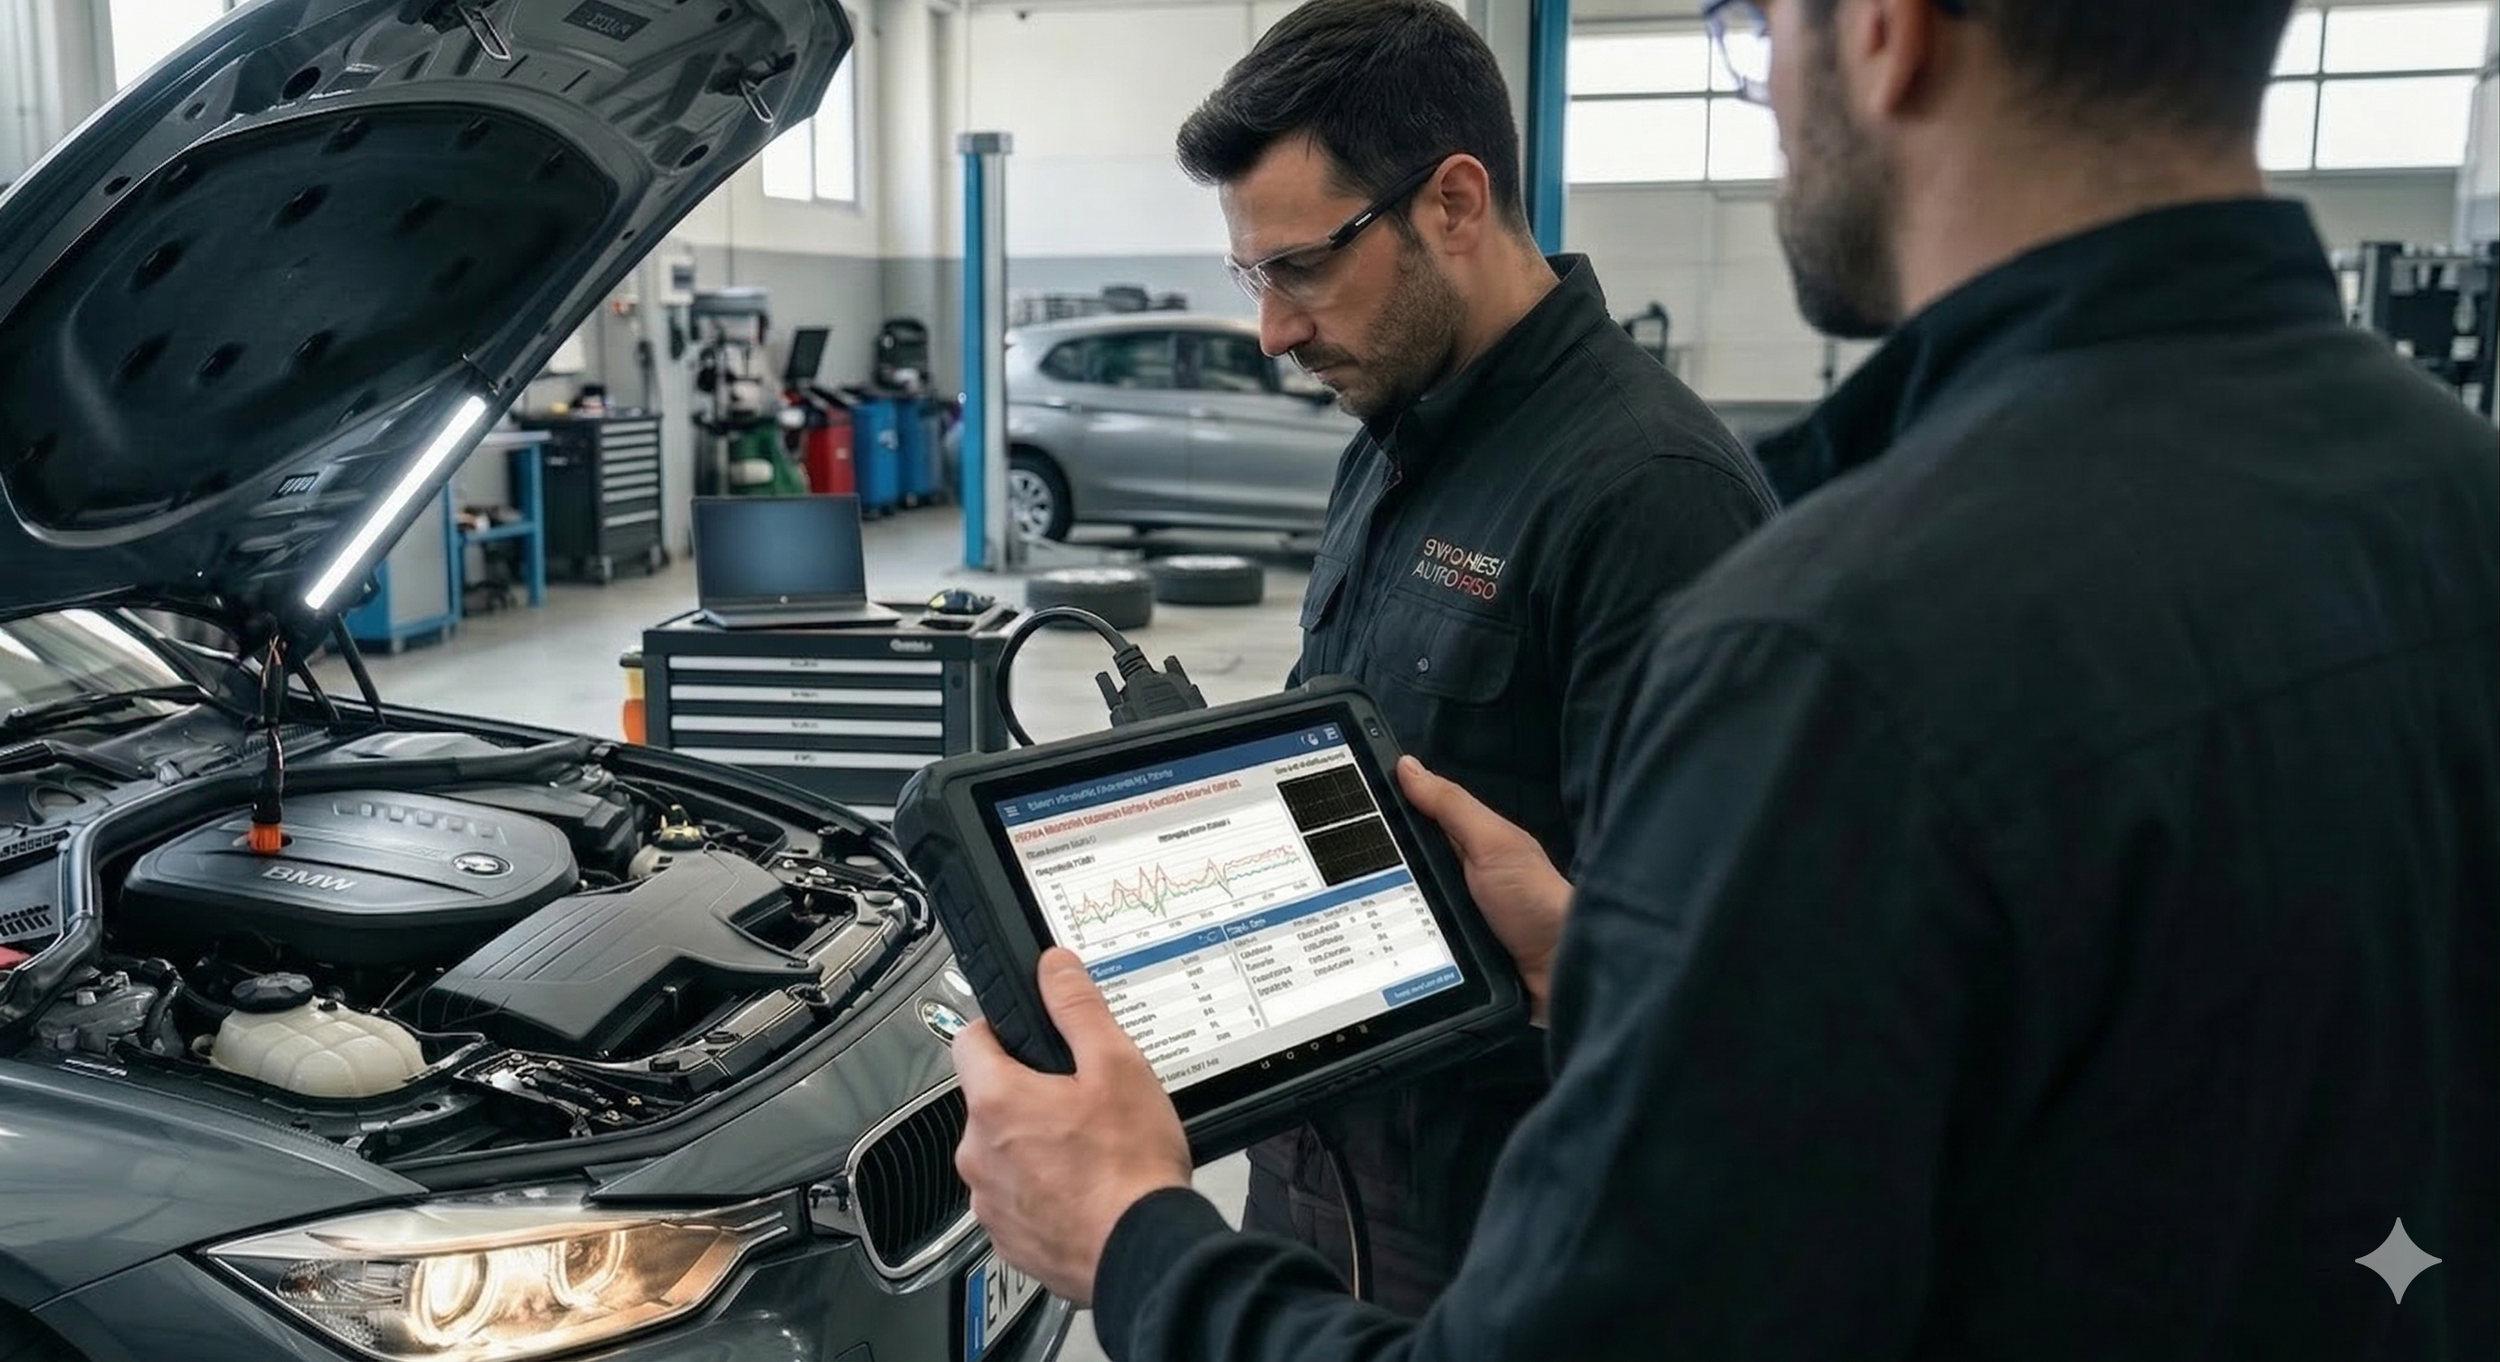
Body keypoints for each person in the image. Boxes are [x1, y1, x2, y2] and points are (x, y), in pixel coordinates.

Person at [953, 0, 2500, 1355]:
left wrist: (1131, 1237)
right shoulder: (2458, 505)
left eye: (1755, 28)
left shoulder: (1836, 643)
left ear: (1886, 29)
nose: (1764, 91)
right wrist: (1605, 958)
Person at [1165, 0, 1777, 1315]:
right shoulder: (1395, 440)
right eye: (1252, 279)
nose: (1274, 332)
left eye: (1300, 268)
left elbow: (1724, 980)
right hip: (1316, 1146)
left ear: (1453, 202)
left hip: (1493, 1215)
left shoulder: (1650, 493)